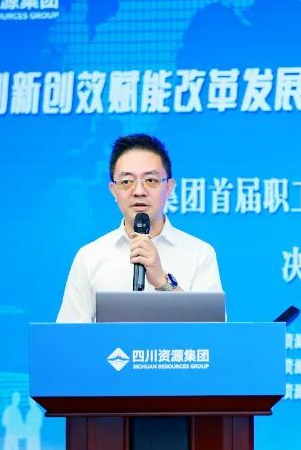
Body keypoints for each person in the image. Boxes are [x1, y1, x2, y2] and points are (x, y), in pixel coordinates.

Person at [57, 134, 223, 322]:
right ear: (113, 190)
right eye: (126, 182)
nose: (138, 191)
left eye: (150, 180)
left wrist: (163, 282)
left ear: (169, 187)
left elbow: (215, 333)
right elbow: (68, 334)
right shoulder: (89, 257)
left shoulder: (200, 253)